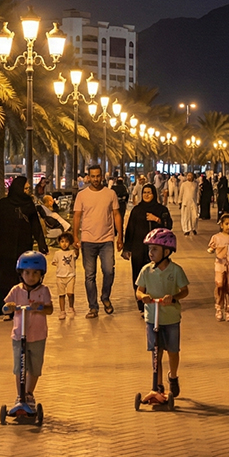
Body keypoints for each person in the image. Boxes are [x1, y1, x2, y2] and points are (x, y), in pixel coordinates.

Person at [135, 228, 190, 398]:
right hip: (152, 317)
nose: (150, 253)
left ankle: (172, 376)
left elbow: (184, 291)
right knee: (156, 353)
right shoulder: (146, 270)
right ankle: (157, 386)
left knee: (172, 350)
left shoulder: (176, 270)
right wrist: (143, 296)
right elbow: (138, 291)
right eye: (149, 249)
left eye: (155, 249)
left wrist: (173, 297)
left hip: (171, 318)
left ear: (166, 252)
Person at [0, 175, 48, 319]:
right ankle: (7, 310)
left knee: (23, 278)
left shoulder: (29, 205)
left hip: (23, 249)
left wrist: (42, 245)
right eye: (25, 188)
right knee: (5, 279)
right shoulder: (3, 204)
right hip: (4, 249)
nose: (27, 191)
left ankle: (22, 309)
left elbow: (36, 227)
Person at [2, 250, 53, 409]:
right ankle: (20, 395)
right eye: (28, 273)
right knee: (19, 366)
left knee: (35, 367)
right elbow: (5, 307)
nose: (31, 277)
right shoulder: (16, 290)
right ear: (21, 273)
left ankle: (29, 393)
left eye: (36, 273)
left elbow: (49, 310)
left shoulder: (43, 291)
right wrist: (8, 307)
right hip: (19, 335)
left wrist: (40, 307)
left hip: (38, 335)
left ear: (41, 275)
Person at [71, 165, 124, 319]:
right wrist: (75, 236)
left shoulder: (110, 194)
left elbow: (116, 215)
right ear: (88, 177)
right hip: (87, 241)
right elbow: (76, 217)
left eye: (98, 176)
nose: (95, 179)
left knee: (109, 271)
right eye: (92, 176)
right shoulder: (82, 195)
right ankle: (93, 307)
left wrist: (120, 236)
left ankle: (105, 297)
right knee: (89, 276)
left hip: (107, 240)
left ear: (102, 176)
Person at [123, 183, 173, 312]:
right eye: (144, 192)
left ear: (154, 194)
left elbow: (169, 226)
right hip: (138, 248)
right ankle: (141, 303)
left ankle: (155, 301)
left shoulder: (161, 210)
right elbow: (130, 230)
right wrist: (126, 248)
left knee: (155, 275)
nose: (146, 195)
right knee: (139, 275)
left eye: (149, 192)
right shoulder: (136, 210)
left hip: (156, 250)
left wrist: (157, 220)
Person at [208, 213, 229, 321]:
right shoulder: (216, 237)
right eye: (226, 224)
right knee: (219, 285)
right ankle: (218, 308)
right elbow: (211, 247)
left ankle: (228, 310)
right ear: (221, 225)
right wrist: (212, 249)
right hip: (220, 264)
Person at [51, 232, 78, 314]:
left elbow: (77, 255)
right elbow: (54, 262)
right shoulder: (57, 253)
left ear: (70, 242)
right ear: (59, 243)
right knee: (61, 294)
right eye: (62, 241)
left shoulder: (72, 252)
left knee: (70, 293)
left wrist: (77, 247)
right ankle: (62, 310)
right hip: (60, 277)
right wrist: (59, 265)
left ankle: (71, 307)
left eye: (66, 241)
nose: (64, 244)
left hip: (70, 276)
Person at [178, 172, 200, 236]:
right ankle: (186, 229)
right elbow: (181, 193)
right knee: (186, 217)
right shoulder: (184, 184)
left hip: (193, 203)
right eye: (188, 175)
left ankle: (194, 228)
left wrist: (198, 201)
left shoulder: (195, 184)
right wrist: (180, 201)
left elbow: (197, 193)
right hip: (185, 203)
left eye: (190, 175)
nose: (189, 177)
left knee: (194, 217)